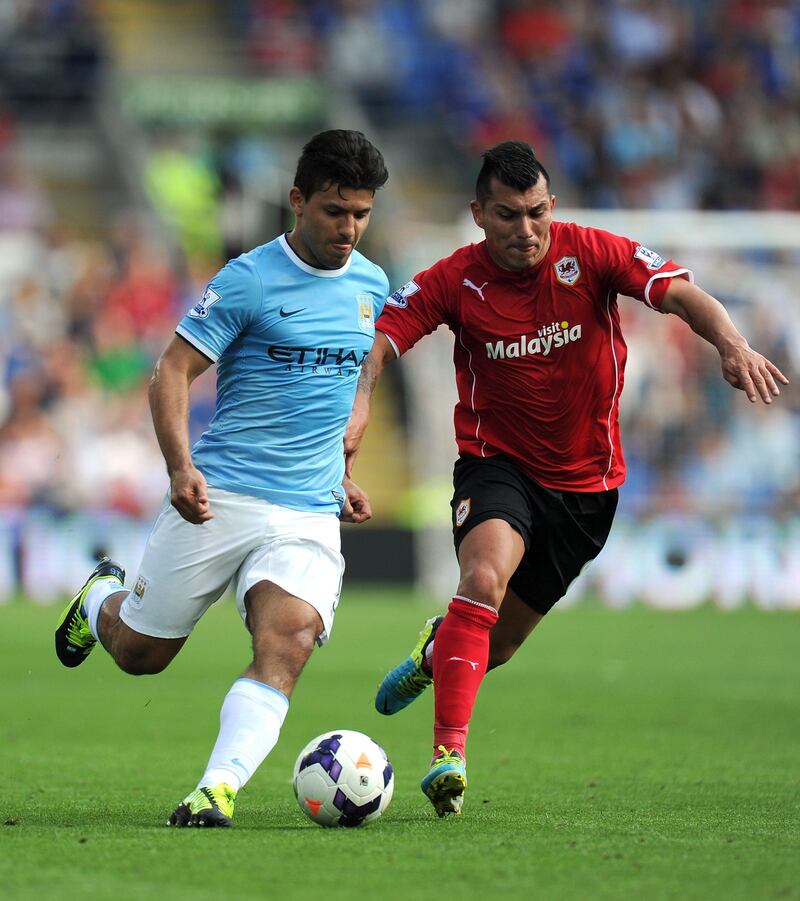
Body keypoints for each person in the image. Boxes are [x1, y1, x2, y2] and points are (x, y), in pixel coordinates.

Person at [344, 140, 789, 818]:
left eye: (535, 213)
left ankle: (438, 650)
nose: (525, 230)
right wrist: (362, 400)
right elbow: (384, 335)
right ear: (477, 214)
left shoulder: (592, 251)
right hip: (497, 466)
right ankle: (448, 755)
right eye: (507, 216)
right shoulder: (454, 279)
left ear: (550, 205)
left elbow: (679, 293)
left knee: (500, 642)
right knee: (483, 578)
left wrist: (731, 343)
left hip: (588, 488)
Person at [54, 129, 390, 827]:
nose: (349, 228)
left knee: (288, 640)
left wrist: (343, 463)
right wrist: (180, 466)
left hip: (306, 510)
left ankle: (217, 787)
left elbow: (358, 367)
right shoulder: (249, 278)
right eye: (335, 211)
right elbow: (171, 371)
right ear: (298, 202)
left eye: (361, 212)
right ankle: (99, 599)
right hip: (222, 495)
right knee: (142, 654)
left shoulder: (371, 284)